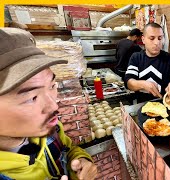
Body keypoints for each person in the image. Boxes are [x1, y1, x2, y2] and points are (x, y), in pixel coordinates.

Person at [0, 28, 97, 180]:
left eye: (52, 86)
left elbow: (67, 149)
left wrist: (79, 160)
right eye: (31, 97)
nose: (54, 106)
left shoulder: (51, 129)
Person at [124, 23, 170, 102]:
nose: (157, 43)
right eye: (152, 38)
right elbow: (128, 82)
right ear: (143, 39)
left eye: (160, 38)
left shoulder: (169, 58)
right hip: (142, 104)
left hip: (164, 103)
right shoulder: (136, 57)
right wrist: (143, 84)